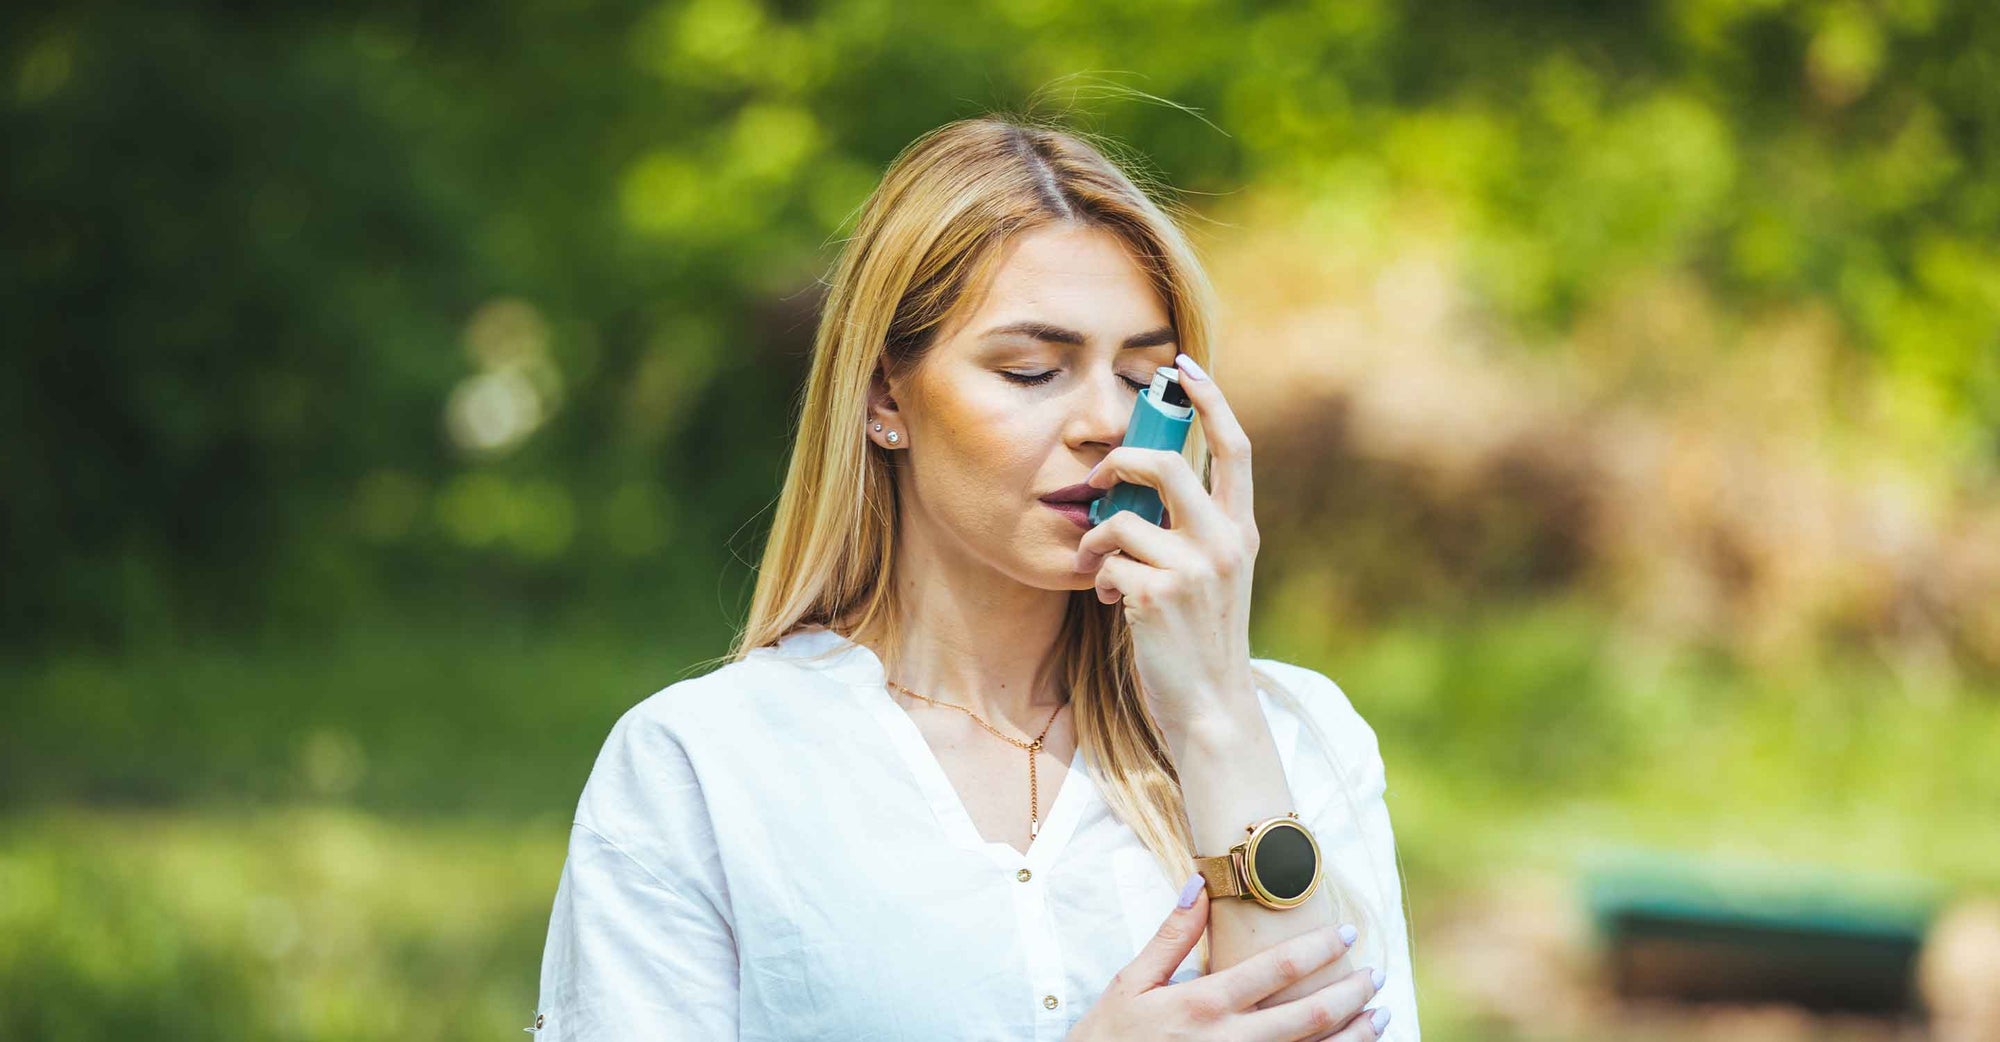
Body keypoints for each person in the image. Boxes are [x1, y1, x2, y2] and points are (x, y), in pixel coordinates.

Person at [529, 114, 1421, 1040]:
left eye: (1146, 378)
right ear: (885, 398)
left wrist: (1215, 711)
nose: (1105, 424)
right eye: (1034, 370)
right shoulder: (706, 766)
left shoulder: (1292, 738)